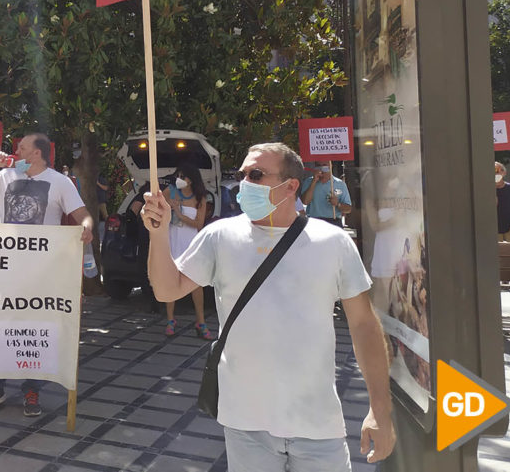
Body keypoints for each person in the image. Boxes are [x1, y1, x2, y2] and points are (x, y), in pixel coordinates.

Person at [144, 143, 395, 469]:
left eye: (256, 174)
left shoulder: (333, 243)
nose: (245, 182)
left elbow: (364, 325)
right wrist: (159, 234)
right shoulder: (219, 236)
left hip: (317, 424)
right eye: (242, 174)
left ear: (291, 186)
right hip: (246, 424)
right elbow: (166, 290)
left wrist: (380, 409)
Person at [0, 133, 93, 417]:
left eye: (22, 147)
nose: (16, 151)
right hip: (3, 268)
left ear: (36, 154)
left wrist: (85, 226)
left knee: (34, 327)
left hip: (40, 272)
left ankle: (31, 388)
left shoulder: (60, 182)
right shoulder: (5, 176)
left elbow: (83, 213)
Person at [162, 164, 215, 340]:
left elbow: (199, 224)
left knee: (195, 284)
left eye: (183, 176)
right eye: (178, 175)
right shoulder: (170, 191)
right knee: (170, 281)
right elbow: (157, 210)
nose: (179, 179)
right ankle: (170, 319)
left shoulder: (201, 198)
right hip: (172, 241)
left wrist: (179, 212)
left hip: (191, 244)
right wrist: (167, 208)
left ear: (192, 179)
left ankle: (200, 321)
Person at [299, 161, 351, 227]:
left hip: (334, 221)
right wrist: (314, 181)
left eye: (324, 164)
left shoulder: (340, 184)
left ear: (330, 165)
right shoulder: (308, 182)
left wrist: (338, 204)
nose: (321, 167)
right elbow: (305, 201)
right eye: (318, 165)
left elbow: (348, 209)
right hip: (314, 222)